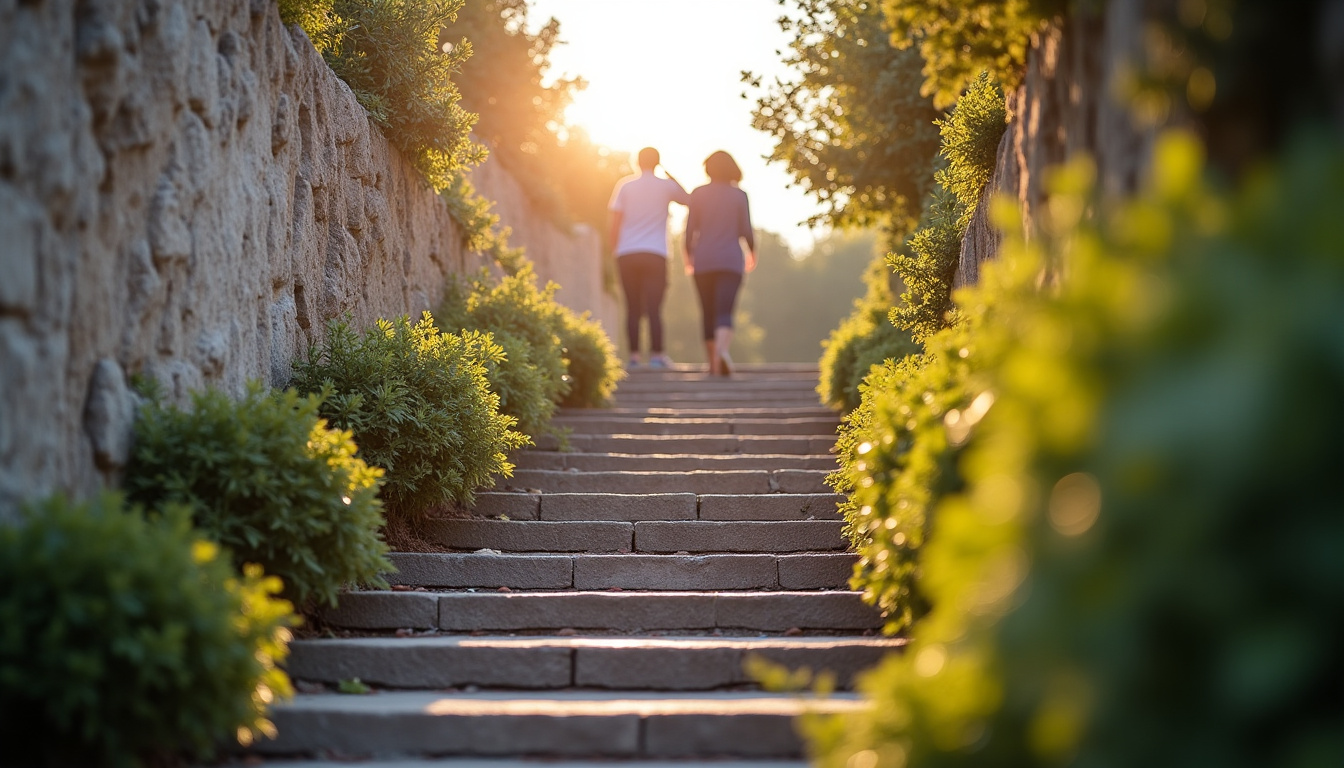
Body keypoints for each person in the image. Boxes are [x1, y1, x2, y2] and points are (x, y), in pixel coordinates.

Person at [608, 147, 690, 368]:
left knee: (632, 307)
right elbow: (689, 200)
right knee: (654, 308)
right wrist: (670, 174)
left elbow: (615, 222)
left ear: (637, 162)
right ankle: (656, 356)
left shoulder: (625, 185)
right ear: (658, 163)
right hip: (655, 254)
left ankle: (634, 357)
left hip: (626, 254)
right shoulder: (666, 185)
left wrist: (613, 252)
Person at [684, 150, 755, 376]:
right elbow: (746, 228)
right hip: (731, 261)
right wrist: (753, 252)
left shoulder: (697, 194)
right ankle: (722, 351)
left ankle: (713, 365)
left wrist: (688, 257)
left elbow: (689, 231)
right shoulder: (739, 195)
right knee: (725, 311)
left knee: (707, 311)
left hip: (704, 261)